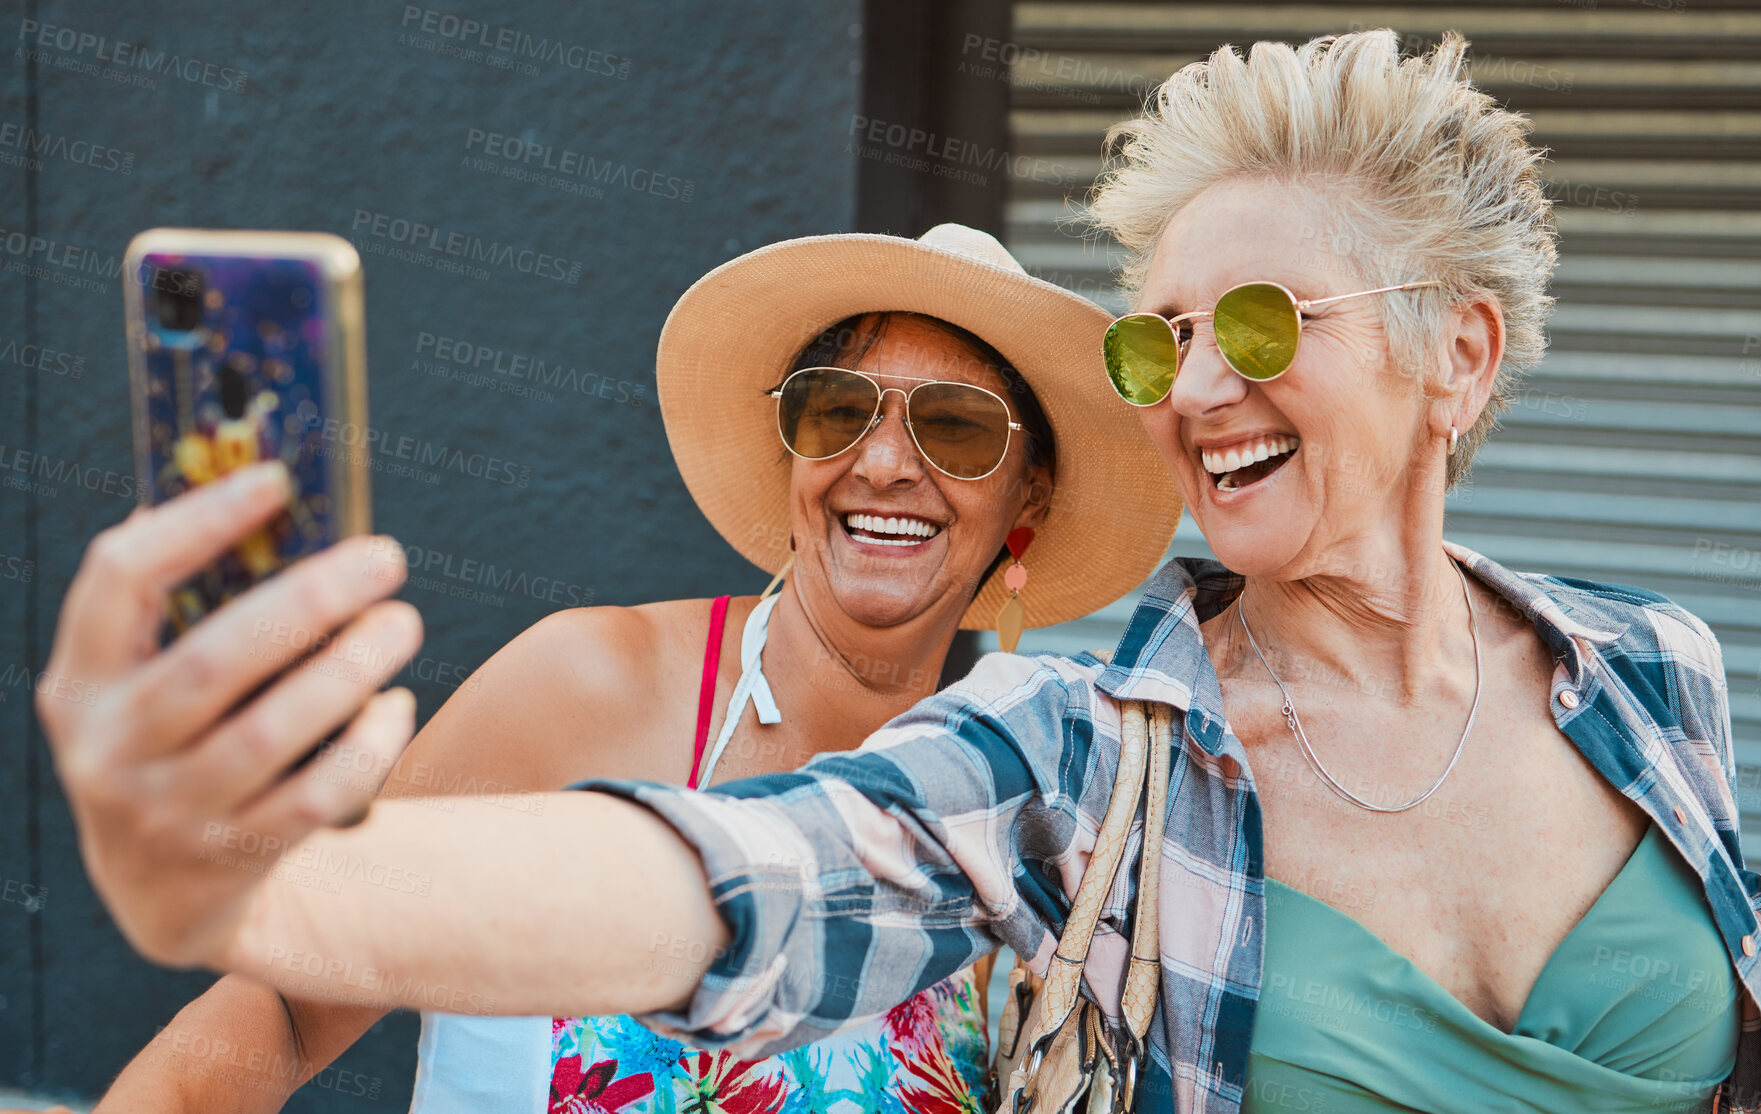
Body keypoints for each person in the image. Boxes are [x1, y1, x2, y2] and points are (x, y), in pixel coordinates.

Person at [37, 30, 1761, 1114]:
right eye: (1155, 341)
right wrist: (238, 883)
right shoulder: (1083, 749)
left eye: (1254, 322)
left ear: (1459, 355)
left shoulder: (1649, 670)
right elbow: (741, 879)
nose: (1190, 388)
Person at [65, 225, 1183, 1113]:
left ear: (1024, 499)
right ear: (789, 449)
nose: (885, 463)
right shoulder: (584, 686)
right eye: (837, 409)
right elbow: (287, 1005)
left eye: (959, 428)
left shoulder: (1029, 815)